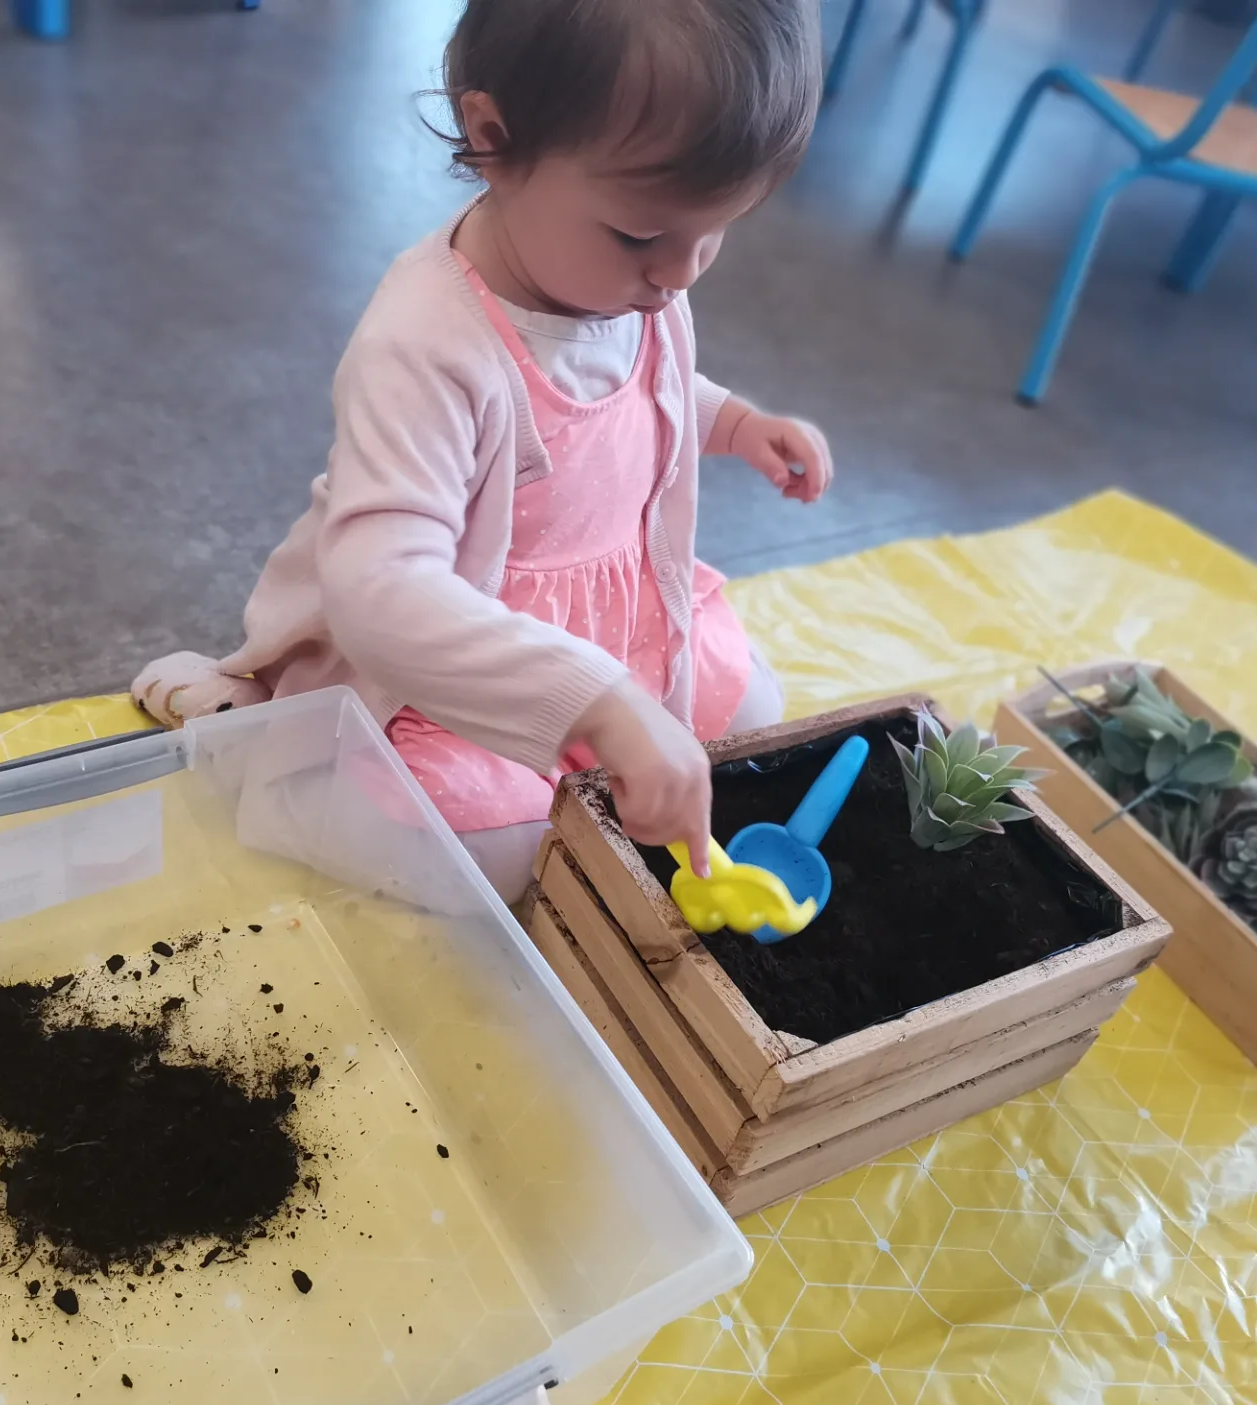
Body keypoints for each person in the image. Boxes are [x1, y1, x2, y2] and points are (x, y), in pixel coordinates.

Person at [134, 0, 831, 902]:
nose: (684, 272)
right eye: (644, 235)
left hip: (608, 624)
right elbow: (383, 593)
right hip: (443, 662)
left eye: (721, 228)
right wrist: (599, 705)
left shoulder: (631, 280)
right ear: (491, 134)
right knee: (502, 861)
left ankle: (587, 752)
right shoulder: (426, 344)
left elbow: (627, 399)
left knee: (754, 721)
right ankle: (257, 752)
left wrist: (734, 423)